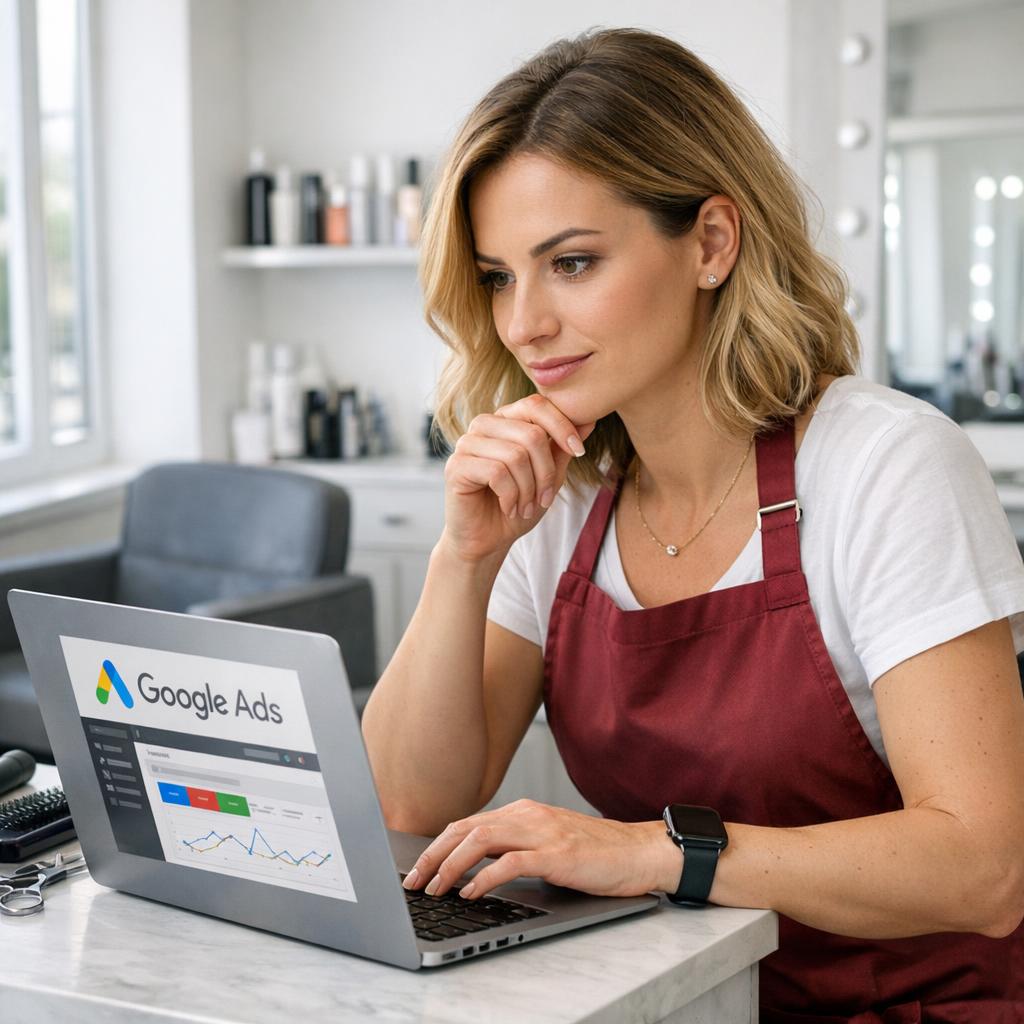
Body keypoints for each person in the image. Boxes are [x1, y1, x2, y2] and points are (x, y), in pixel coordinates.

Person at [360, 26, 1024, 1021]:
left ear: (711, 242)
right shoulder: (561, 498)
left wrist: (652, 849)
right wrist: (462, 560)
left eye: (571, 263)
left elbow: (982, 866)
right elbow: (406, 809)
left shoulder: (885, 466)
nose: (522, 324)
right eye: (499, 275)